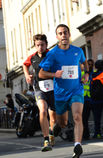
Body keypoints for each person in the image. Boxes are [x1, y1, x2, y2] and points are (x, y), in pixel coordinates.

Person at [39, 24, 89, 158]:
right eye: (60, 33)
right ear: (57, 37)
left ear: (69, 34)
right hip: (60, 94)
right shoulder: (52, 54)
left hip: (76, 90)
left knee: (78, 116)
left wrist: (86, 74)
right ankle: (57, 126)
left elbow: (85, 64)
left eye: (65, 32)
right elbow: (41, 73)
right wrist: (55, 75)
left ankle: (77, 145)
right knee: (63, 123)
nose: (63, 35)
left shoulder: (78, 51)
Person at [23, 34, 56, 152]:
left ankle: (51, 132)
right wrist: (27, 75)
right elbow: (24, 65)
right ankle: (46, 138)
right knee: (42, 110)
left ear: (46, 44)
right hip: (39, 88)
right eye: (37, 45)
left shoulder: (52, 54)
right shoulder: (32, 57)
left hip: (53, 88)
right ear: (35, 46)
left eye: (42, 45)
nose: (40, 47)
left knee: (53, 117)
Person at [82, 59, 94, 140]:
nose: (89, 66)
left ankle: (85, 135)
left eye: (90, 65)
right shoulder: (84, 74)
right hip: (82, 99)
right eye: (88, 64)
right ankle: (85, 134)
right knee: (83, 118)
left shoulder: (90, 74)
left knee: (84, 118)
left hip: (87, 99)